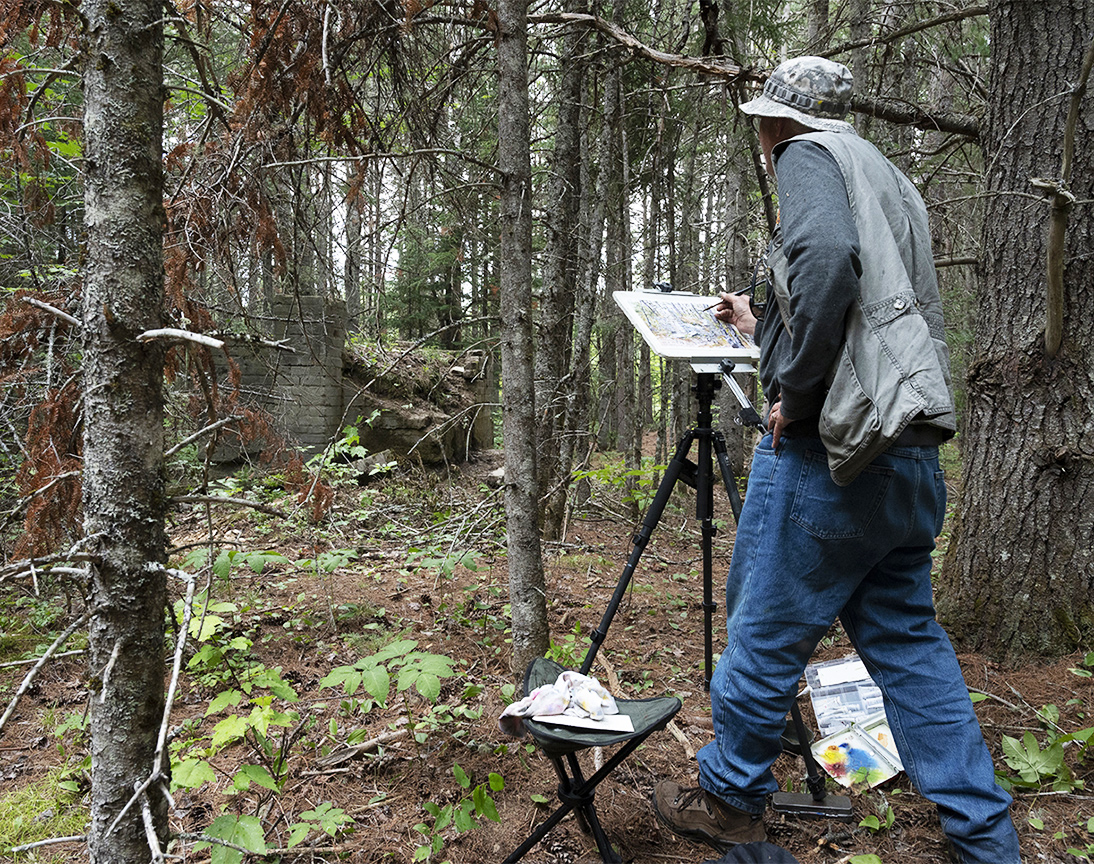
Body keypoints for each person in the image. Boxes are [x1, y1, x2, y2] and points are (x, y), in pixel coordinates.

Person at [650, 56, 1021, 864]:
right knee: (910, 647)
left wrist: (794, 389)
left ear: (779, 122)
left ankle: (729, 798)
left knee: (760, 634)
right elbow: (859, 296)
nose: (761, 136)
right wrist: (764, 320)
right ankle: (986, 842)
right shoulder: (886, 174)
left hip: (833, 457)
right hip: (908, 454)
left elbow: (825, 260)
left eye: (762, 123)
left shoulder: (808, 156)